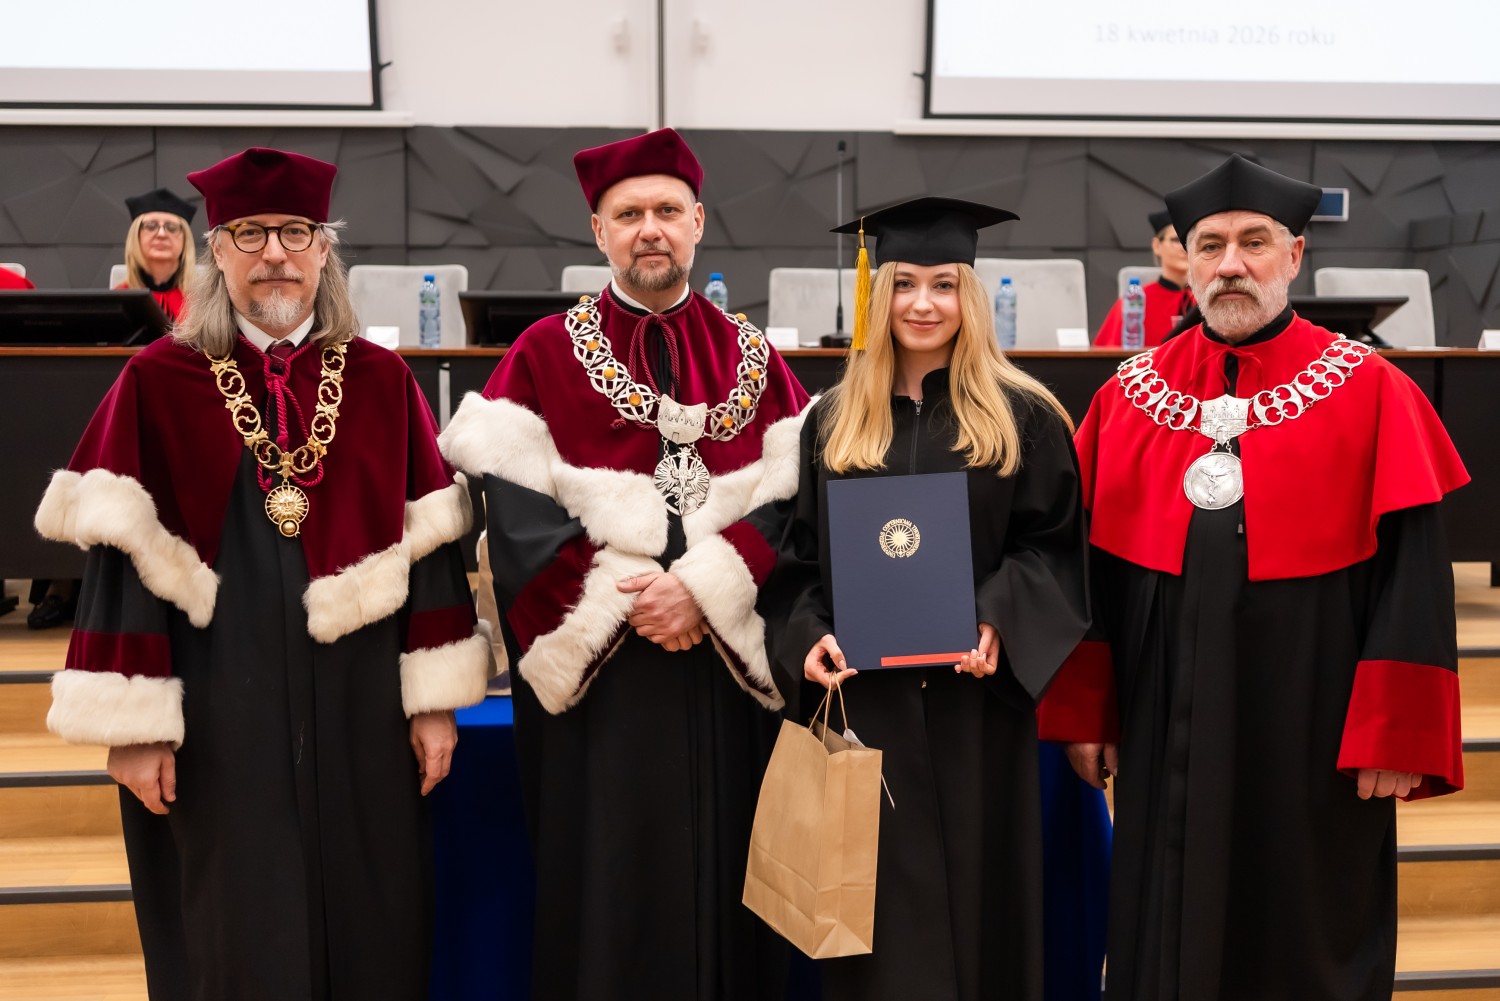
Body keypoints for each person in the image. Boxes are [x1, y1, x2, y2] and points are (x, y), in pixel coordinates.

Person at [34, 147, 492, 1001]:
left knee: (373, 911)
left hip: (362, 702)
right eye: (250, 234)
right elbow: (121, 566)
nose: (274, 252)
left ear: (324, 248)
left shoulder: (382, 381)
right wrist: (134, 722)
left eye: (295, 232)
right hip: (214, 705)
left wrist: (433, 699)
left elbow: (429, 548)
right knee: (228, 923)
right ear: (217, 250)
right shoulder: (156, 383)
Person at [1041, 154, 1469, 1001]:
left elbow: (1416, 576)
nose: (1230, 263)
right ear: (1187, 261)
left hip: (1315, 713)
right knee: (1165, 909)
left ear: (1295, 255)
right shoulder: (1127, 396)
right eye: (1210, 245)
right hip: (1164, 709)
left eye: (1253, 243)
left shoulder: (1373, 391)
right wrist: (1088, 709)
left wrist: (1395, 731)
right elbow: (1084, 568)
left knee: (1305, 911)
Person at [438, 128, 810, 1000]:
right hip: (602, 693)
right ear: (598, 230)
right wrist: (630, 601)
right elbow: (515, 514)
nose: (651, 229)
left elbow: (799, 501)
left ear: (698, 223)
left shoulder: (756, 360)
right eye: (630, 213)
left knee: (732, 886)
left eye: (668, 211)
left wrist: (707, 589)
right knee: (605, 889)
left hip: (725, 676)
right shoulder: (541, 354)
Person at [776, 197, 1091, 1001]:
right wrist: (808, 633)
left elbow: (1053, 547)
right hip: (867, 714)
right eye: (905, 284)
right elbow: (797, 560)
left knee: (985, 914)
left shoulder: (1024, 418)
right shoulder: (833, 421)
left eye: (944, 284)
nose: (923, 303)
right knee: (874, 927)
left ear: (969, 296)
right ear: (877, 294)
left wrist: (998, 617)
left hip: (975, 712)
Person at [1094, 208, 1194, 348]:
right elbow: (1107, 353)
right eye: (1177, 240)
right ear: (1157, 246)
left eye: (1190, 241)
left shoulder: (1208, 299)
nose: (1185, 247)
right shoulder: (1136, 301)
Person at [117, 187, 197, 322]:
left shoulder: (202, 302)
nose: (161, 234)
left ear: (185, 239)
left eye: (172, 227)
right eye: (151, 226)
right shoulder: (119, 300)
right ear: (136, 235)